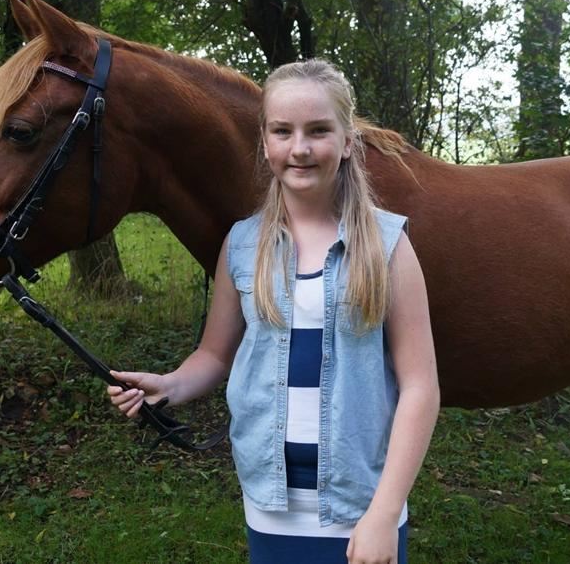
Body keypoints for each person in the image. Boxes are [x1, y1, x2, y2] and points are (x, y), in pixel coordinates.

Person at [108, 59, 439, 564]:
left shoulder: (388, 246)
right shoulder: (241, 246)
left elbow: (420, 386)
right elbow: (214, 356)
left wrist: (382, 512)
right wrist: (171, 385)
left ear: (348, 141)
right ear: (265, 142)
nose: (299, 148)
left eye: (318, 131)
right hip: (271, 507)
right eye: (283, 131)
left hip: (361, 509)